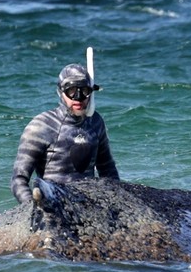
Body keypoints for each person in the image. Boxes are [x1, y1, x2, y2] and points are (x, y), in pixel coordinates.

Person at [11, 63, 119, 203]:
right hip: (54, 201)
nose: (78, 97)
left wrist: (115, 201)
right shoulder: (41, 126)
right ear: (60, 92)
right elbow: (18, 179)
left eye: (84, 91)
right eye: (72, 91)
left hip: (90, 201)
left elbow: (107, 169)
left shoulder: (96, 122)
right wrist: (32, 207)